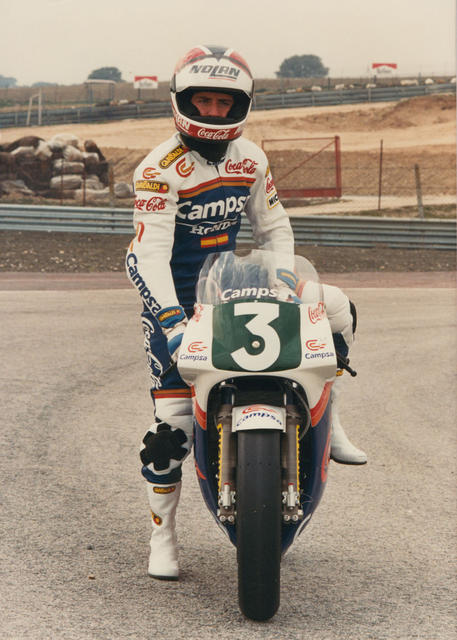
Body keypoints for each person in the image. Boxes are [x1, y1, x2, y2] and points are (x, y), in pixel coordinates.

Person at [126, 45, 367, 581]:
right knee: (170, 432)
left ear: (241, 105)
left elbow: (274, 228)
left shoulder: (251, 158)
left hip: (230, 282)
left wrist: (285, 281)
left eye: (224, 102)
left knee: (336, 306)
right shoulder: (158, 170)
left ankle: (331, 409)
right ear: (182, 101)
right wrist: (170, 322)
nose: (213, 111)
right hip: (174, 301)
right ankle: (162, 538)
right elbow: (145, 255)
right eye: (203, 101)